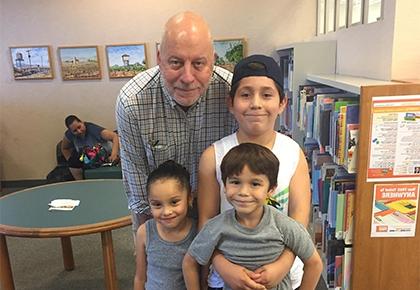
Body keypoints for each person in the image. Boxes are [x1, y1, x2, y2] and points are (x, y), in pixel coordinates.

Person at [116, 11, 236, 238]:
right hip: (160, 214)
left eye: (199, 63)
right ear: (159, 58)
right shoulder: (132, 101)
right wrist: (153, 248)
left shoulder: (232, 94)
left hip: (219, 214)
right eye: (176, 62)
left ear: (213, 60)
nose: (188, 77)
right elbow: (138, 187)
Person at [197, 55, 311, 289]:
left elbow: (299, 219)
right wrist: (221, 265)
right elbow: (206, 221)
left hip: (284, 278)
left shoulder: (293, 152)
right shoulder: (213, 156)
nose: (256, 103)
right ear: (231, 103)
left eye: (267, 95)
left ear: (282, 103)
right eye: (245, 94)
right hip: (226, 279)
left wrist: (283, 263)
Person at [183, 143, 322, 290]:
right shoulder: (216, 227)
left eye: (255, 184)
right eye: (235, 182)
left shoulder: (283, 225)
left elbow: (314, 263)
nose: (243, 192)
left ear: (271, 189)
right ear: (224, 185)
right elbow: (189, 262)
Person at [134, 160, 197, 290]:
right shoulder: (144, 232)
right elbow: (140, 277)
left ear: (189, 198)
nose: (166, 212)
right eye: (157, 204)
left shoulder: (198, 232)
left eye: (174, 202)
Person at [61, 115, 120, 180]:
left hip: (105, 156)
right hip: (88, 159)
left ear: (82, 122)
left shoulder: (93, 129)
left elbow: (114, 136)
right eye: (75, 131)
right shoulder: (69, 135)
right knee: (73, 162)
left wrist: (113, 155)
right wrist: (69, 160)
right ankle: (80, 183)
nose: (79, 131)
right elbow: (64, 148)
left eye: (79, 127)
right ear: (71, 132)